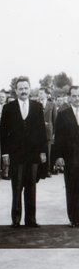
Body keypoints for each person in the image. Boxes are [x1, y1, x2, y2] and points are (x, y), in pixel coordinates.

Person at [0, 76, 47, 228]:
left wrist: (42, 152)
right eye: (20, 89)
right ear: (16, 91)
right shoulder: (8, 108)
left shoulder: (37, 107)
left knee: (31, 187)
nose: (24, 91)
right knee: (17, 187)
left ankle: (31, 220)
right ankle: (16, 219)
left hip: (33, 155)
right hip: (16, 155)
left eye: (26, 88)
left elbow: (42, 132)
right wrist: (5, 153)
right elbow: (3, 133)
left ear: (29, 89)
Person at [54, 86, 79, 227]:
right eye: (74, 96)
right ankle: (74, 218)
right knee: (72, 188)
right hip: (70, 158)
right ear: (69, 97)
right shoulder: (63, 114)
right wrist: (58, 156)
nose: (77, 99)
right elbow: (59, 138)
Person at [38, 87, 57, 177]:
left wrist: (54, 133)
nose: (40, 95)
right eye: (39, 93)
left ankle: (47, 170)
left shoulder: (52, 104)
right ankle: (39, 170)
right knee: (38, 151)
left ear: (46, 94)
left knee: (48, 151)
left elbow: (54, 119)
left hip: (48, 131)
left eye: (41, 93)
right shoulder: (35, 103)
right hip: (38, 131)